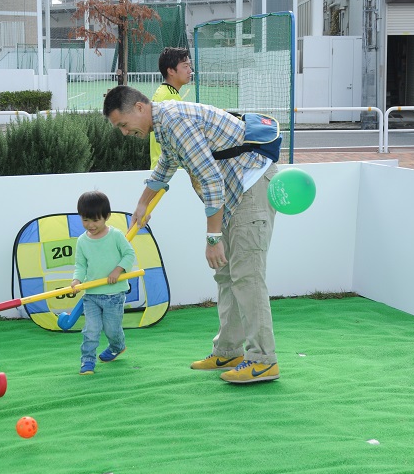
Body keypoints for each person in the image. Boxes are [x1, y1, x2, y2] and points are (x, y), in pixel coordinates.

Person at [103, 85, 280, 384]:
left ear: (140, 108)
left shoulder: (174, 120)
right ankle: (229, 350)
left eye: (123, 125)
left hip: (250, 190)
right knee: (226, 275)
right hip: (234, 195)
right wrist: (143, 203)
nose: (123, 133)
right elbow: (166, 165)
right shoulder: (165, 125)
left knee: (247, 276)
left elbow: (211, 179)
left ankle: (263, 360)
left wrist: (212, 239)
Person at [71, 190, 137, 375]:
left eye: (95, 220)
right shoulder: (82, 241)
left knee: (111, 330)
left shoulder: (115, 235)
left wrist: (118, 270)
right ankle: (87, 361)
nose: (90, 225)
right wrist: (76, 279)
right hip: (91, 295)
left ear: (107, 217)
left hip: (114, 295)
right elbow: (81, 265)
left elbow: (129, 254)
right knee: (90, 330)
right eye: (85, 220)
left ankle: (117, 346)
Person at [150, 47, 192, 169]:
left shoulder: (164, 92)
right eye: (185, 66)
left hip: (166, 170)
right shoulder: (169, 98)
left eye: (189, 66)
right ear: (171, 71)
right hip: (170, 171)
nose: (190, 70)